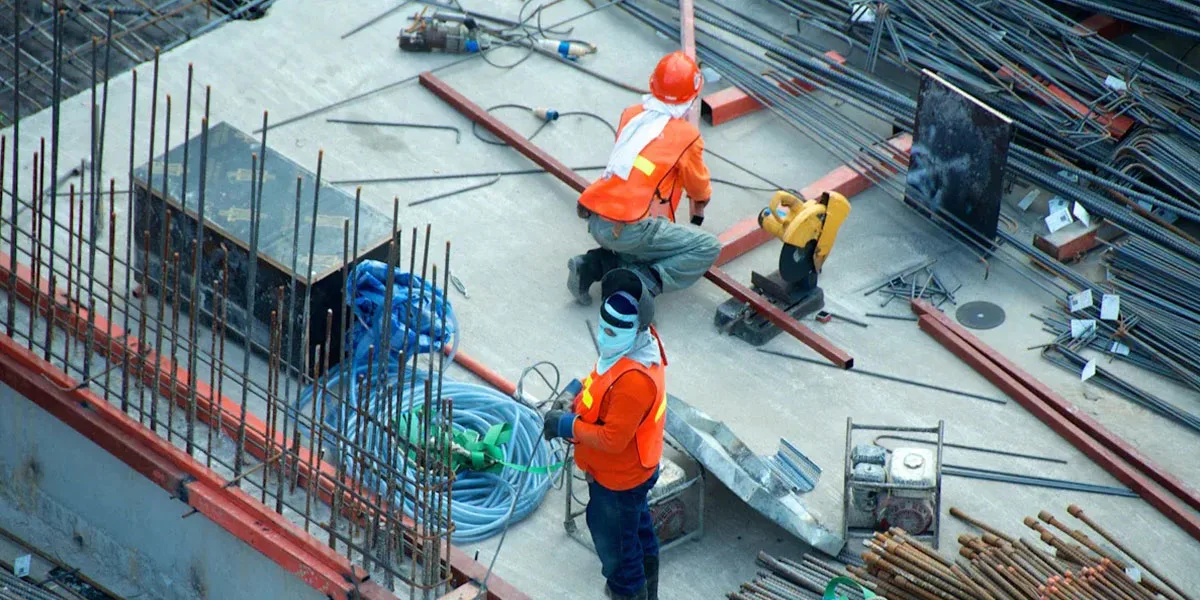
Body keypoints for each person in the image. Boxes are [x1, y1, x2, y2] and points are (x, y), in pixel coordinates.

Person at [544, 268, 668, 600]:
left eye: (614, 330)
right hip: (631, 472)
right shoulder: (633, 348)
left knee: (617, 551)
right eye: (603, 326)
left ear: (637, 330)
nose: (604, 335)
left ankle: (629, 593)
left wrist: (565, 426)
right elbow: (601, 383)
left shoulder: (634, 381)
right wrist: (576, 392)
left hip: (620, 479)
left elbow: (613, 439)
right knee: (637, 534)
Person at [567, 51, 721, 306]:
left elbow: (638, 164)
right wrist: (702, 200)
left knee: (644, 240)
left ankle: (591, 266)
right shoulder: (687, 136)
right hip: (629, 229)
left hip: (597, 218)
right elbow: (697, 187)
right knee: (707, 247)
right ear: (692, 97)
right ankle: (642, 282)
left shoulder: (632, 115)